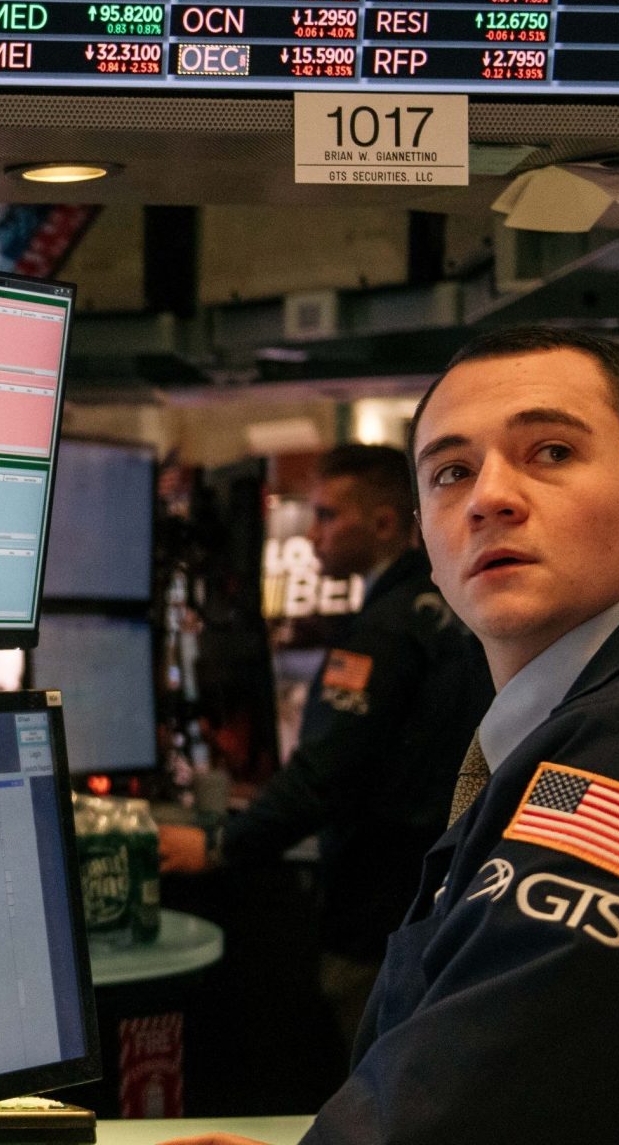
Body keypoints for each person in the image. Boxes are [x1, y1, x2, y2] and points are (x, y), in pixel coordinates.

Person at [174, 325, 619, 1145]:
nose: (489, 496)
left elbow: (472, 1118)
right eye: (451, 472)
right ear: (423, 534)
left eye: (550, 452)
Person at [157, 445, 491, 1048]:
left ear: (387, 523)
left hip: (377, 914)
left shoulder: (384, 631)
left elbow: (325, 773)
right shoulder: (455, 611)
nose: (313, 534)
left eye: (328, 516)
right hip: (446, 899)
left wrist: (218, 845)